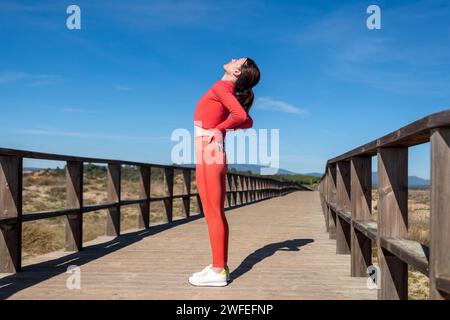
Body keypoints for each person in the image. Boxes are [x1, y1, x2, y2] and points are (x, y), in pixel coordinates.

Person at [189, 57, 260, 286]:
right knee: (215, 212)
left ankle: (219, 271)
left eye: (237, 60)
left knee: (213, 213)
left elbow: (241, 117)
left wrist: (217, 129)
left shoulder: (221, 87)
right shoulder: (223, 89)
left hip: (209, 154)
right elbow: (247, 121)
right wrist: (219, 131)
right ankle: (218, 265)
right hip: (213, 154)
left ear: (237, 71)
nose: (232, 59)